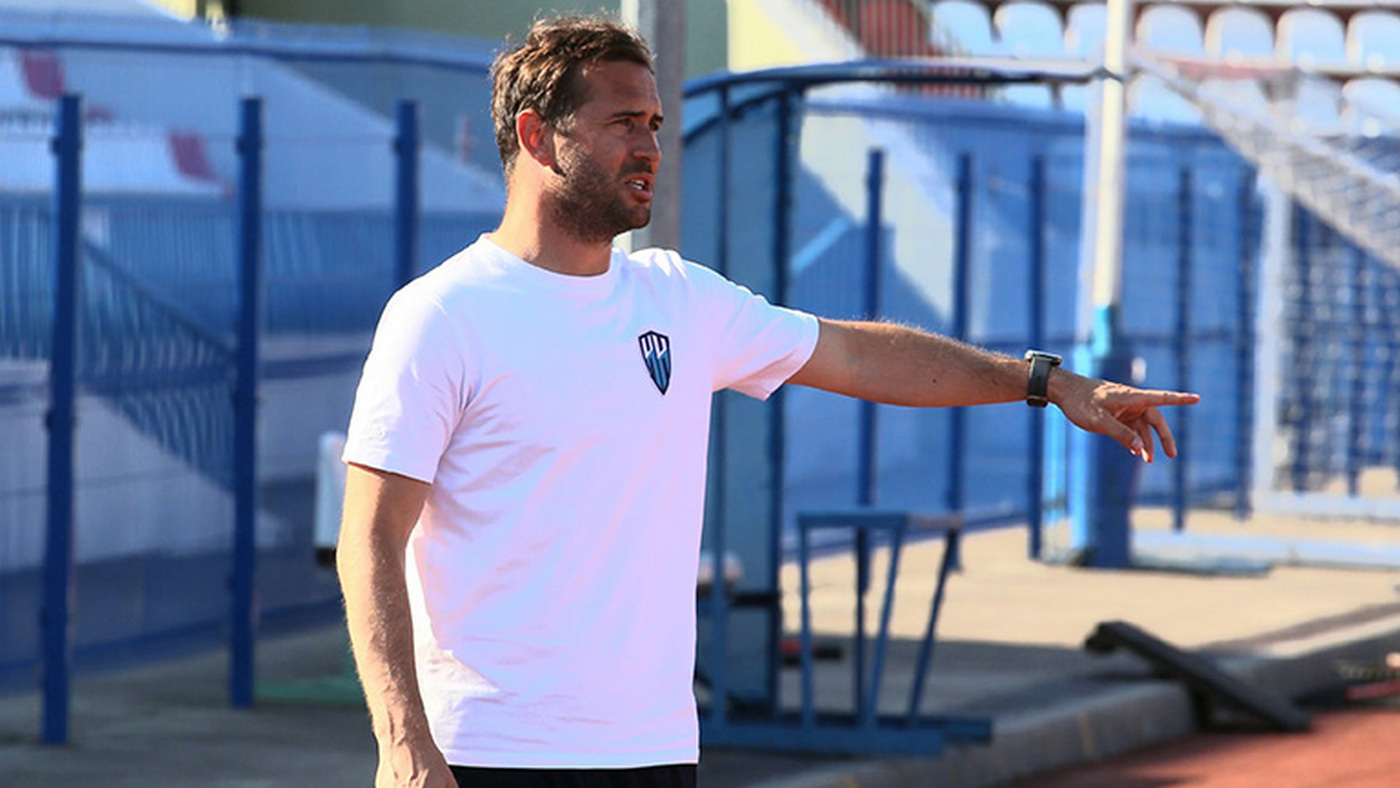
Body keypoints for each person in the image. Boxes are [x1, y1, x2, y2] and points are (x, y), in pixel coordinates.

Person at [336, 14, 1199, 788]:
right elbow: (370, 538)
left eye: (655, 125)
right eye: (623, 123)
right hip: (489, 753)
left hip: (651, 751)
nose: (650, 148)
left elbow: (860, 355)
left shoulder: (680, 298)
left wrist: (1046, 383)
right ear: (537, 136)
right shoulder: (442, 315)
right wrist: (404, 740)